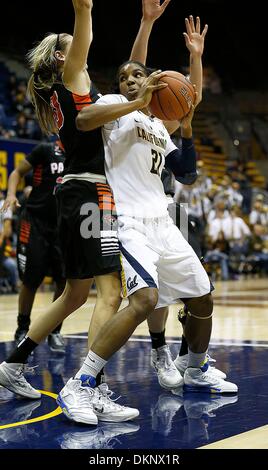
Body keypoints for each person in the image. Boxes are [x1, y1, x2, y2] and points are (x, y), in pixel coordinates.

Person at [0, 0, 142, 424]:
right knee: (110, 291)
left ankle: (12, 365)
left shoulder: (68, 86)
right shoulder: (72, 74)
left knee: (74, 294)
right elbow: (86, 27)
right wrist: (85, 9)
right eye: (73, 44)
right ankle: (87, 387)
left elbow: (134, 73)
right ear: (63, 55)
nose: (81, 45)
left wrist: (145, 22)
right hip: (90, 194)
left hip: (76, 193)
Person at [0, 140, 66, 352]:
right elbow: (16, 172)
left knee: (65, 282)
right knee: (30, 280)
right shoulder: (46, 149)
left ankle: (55, 331)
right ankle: (22, 327)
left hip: (63, 225)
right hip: (35, 222)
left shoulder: (80, 155)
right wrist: (11, 194)